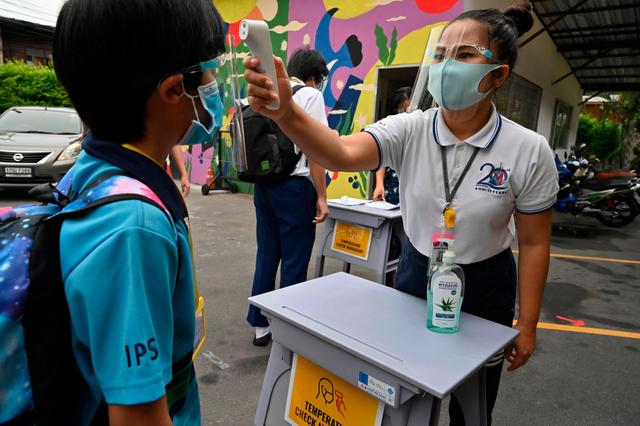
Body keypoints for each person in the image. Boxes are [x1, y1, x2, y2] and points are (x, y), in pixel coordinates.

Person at [244, 3, 557, 424]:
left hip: (486, 284)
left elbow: (535, 242)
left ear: (498, 75)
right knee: (406, 398)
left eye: (464, 55)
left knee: (474, 403)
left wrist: (529, 323)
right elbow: (339, 150)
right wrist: (286, 112)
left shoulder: (528, 149)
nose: (448, 66)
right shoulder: (409, 127)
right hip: (415, 273)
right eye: (442, 54)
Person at [53, 0, 226, 424]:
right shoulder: (135, 227)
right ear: (172, 90)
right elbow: (138, 416)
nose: (215, 84)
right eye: (210, 71)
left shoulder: (91, 169)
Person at [247, 48, 330, 346]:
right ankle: (287, 328)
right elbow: (316, 149)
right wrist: (322, 195)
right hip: (295, 187)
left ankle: (260, 325)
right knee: (294, 259)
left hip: (264, 186)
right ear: (313, 76)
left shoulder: (267, 93)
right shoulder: (310, 96)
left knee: (267, 253)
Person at [373, 86, 411, 205]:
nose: (403, 115)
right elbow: (381, 154)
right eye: (399, 111)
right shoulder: (390, 127)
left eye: (407, 111)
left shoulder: (421, 128)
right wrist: (379, 184)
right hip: (392, 188)